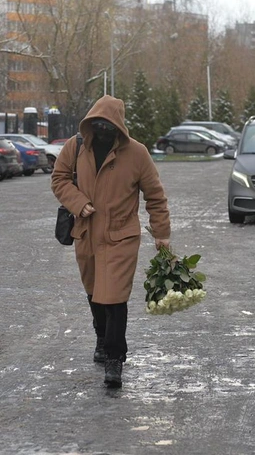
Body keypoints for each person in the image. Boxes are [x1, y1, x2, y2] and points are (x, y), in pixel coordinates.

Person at [51, 95, 171, 388]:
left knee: (114, 297)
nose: (103, 128)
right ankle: (101, 338)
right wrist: (78, 203)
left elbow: (155, 196)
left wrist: (162, 234)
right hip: (86, 231)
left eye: (108, 123)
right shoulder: (75, 147)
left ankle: (115, 358)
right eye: (97, 122)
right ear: (90, 122)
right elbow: (59, 179)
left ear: (119, 125)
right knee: (94, 292)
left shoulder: (137, 154)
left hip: (121, 235)